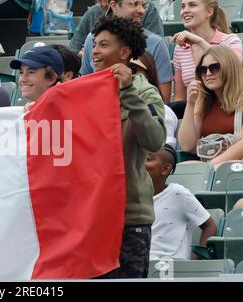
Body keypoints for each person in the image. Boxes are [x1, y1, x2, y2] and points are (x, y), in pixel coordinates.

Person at [92, 15, 165, 278]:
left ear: (124, 52)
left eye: (103, 45)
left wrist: (128, 91)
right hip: (90, 214)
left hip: (129, 217)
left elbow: (155, 140)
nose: (95, 52)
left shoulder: (144, 92)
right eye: (94, 45)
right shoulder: (82, 92)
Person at [80, 0, 173, 103]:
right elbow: (84, 87)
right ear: (114, 6)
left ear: (125, 52)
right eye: (134, 4)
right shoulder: (92, 38)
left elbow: (163, 102)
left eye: (143, 5)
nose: (141, 11)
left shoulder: (156, 43)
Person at [170, 0, 242, 117]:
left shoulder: (230, 41)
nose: (185, 11)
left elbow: (232, 68)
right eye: (183, 6)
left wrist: (199, 41)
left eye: (192, 5)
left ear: (209, 12)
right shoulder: (180, 49)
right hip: (194, 114)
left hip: (228, 110)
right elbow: (180, 97)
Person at [145, 144, 217, 260]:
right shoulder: (133, 196)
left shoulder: (178, 193)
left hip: (169, 269)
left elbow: (209, 226)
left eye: (148, 159)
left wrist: (196, 261)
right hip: (140, 266)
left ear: (165, 169)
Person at [178, 45, 243, 166]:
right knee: (183, 168)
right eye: (202, 70)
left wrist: (212, 165)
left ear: (229, 68)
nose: (207, 74)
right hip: (211, 166)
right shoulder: (204, 101)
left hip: (234, 170)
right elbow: (187, 145)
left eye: (214, 67)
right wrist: (190, 104)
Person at [69, 0, 164, 56]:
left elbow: (154, 50)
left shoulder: (148, 10)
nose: (141, 10)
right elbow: (73, 50)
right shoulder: (93, 15)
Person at [129, 52, 179, 147]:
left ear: (148, 75)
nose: (127, 74)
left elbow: (164, 153)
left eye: (133, 69)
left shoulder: (165, 112)